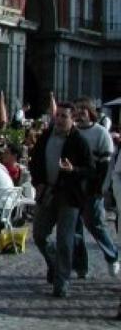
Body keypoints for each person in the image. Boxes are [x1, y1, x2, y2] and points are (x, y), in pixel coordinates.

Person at [31, 103, 94, 298]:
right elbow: (35, 162)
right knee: (39, 235)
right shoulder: (45, 136)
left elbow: (90, 169)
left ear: (72, 119)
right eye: (57, 116)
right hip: (47, 192)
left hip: (68, 196)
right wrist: (38, 181)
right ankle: (54, 263)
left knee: (64, 240)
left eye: (64, 116)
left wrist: (73, 170)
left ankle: (62, 281)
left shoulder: (79, 141)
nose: (59, 119)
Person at [70, 97, 119, 279]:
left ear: (90, 112)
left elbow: (106, 165)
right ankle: (80, 266)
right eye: (77, 109)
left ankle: (112, 255)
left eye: (84, 109)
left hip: (93, 188)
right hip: (74, 188)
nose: (80, 113)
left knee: (95, 225)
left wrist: (100, 188)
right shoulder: (72, 132)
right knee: (75, 228)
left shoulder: (100, 133)